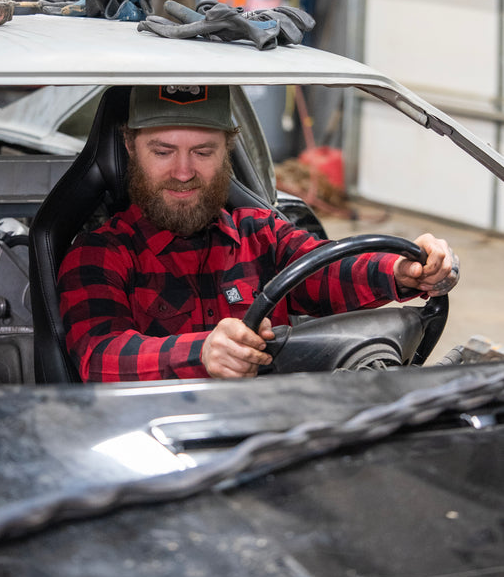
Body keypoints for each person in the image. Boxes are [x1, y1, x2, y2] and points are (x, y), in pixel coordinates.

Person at [58, 84, 460, 383]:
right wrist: (202, 353)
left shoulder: (262, 232)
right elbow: (100, 355)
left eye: (203, 152)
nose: (183, 172)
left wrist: (402, 270)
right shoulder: (99, 254)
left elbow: (325, 269)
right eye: (163, 152)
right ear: (130, 146)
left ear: (228, 149)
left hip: (273, 435)